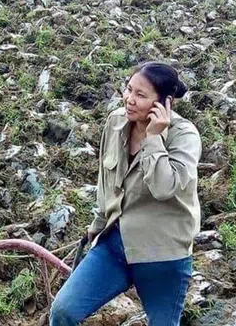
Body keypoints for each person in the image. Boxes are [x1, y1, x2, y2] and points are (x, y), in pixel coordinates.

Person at [50, 61, 202, 325]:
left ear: (165, 103)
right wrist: (98, 223)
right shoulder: (117, 122)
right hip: (115, 244)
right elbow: (107, 179)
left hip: (162, 255)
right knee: (64, 311)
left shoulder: (184, 137)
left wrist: (154, 138)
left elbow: (165, 187)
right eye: (129, 89)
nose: (129, 100)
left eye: (141, 95)